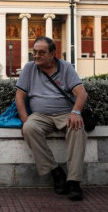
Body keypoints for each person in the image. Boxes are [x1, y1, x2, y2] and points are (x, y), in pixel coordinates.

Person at [15, 36, 88, 201]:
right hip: (40, 115)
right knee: (29, 128)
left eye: (41, 52)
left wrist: (75, 113)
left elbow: (82, 93)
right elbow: (19, 97)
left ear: (53, 53)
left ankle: (74, 181)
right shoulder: (29, 68)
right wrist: (25, 119)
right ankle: (56, 172)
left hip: (65, 113)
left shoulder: (66, 67)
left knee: (77, 128)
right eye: (34, 52)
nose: (36, 56)